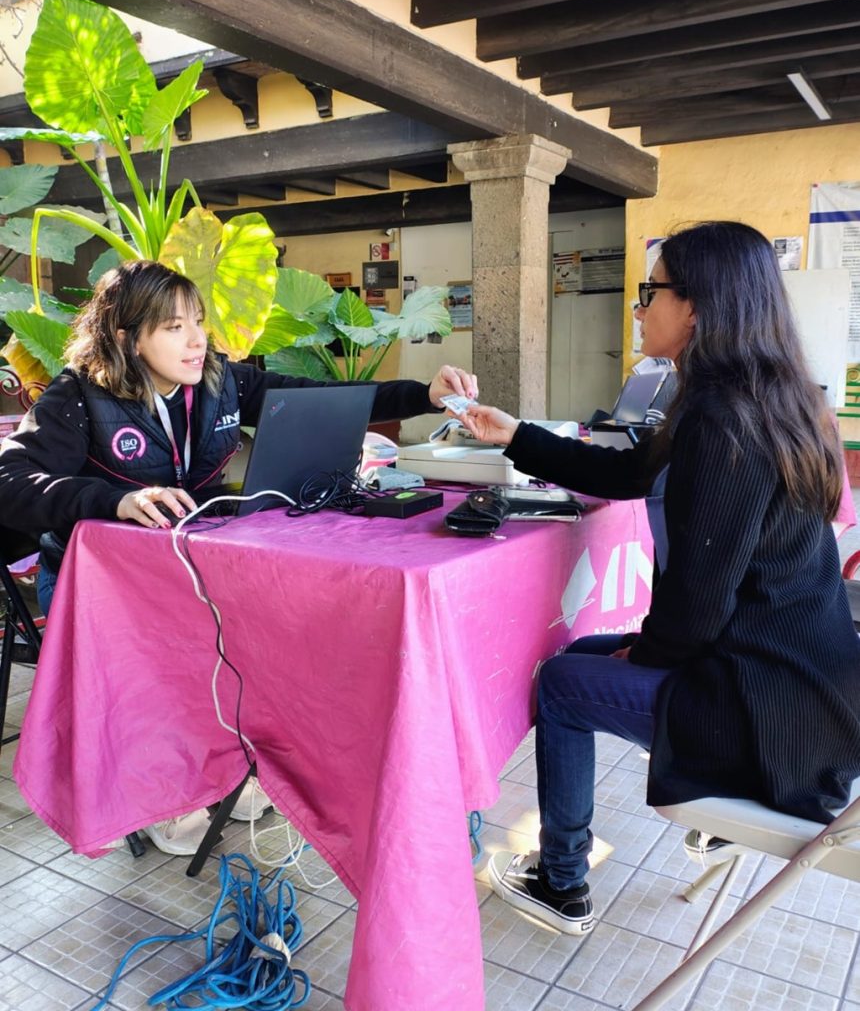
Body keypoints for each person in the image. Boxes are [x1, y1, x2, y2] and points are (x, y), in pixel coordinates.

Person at [459, 221, 860, 935]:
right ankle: (564, 865)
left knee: (559, 684)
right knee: (576, 659)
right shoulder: (765, 397)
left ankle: (562, 884)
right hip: (800, 676)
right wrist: (513, 434)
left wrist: (647, 651)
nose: (640, 308)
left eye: (653, 291)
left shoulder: (727, 422)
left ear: (699, 307)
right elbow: (624, 473)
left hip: (770, 712)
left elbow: (698, 602)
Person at [0, 259, 478, 855]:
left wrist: (422, 395)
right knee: (151, 659)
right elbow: (9, 479)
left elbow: (328, 398)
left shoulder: (223, 381)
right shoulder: (78, 397)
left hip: (194, 568)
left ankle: (223, 770)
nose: (197, 340)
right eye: (174, 327)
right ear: (127, 336)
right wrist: (115, 500)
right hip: (95, 584)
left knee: (269, 635)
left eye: (197, 322)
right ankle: (159, 795)